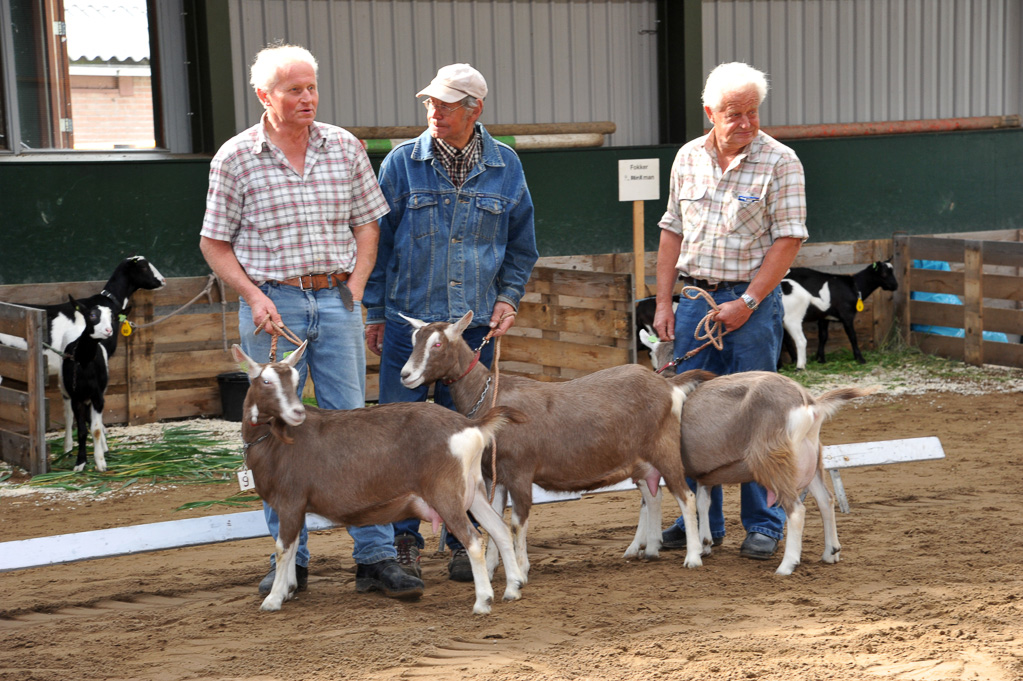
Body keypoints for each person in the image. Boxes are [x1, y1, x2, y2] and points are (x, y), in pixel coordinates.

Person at [199, 44, 424, 600]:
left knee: (353, 427)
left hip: (336, 301)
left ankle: (373, 557)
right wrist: (252, 295)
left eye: (312, 87)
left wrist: (355, 286)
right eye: (294, 89)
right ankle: (289, 563)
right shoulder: (234, 157)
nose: (307, 98)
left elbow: (369, 225)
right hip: (274, 307)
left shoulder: (344, 146)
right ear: (264, 96)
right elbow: (213, 242)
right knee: (274, 434)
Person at [363, 63, 538, 582]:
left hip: (471, 328)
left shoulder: (506, 167)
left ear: (475, 109)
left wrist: (508, 298)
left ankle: (466, 538)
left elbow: (522, 245)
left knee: (469, 435)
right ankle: (404, 543)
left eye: (445, 104)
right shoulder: (401, 164)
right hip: (409, 329)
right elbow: (379, 243)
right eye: (430, 104)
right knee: (399, 435)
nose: (433, 112)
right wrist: (374, 311)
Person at [652, 62, 808, 560]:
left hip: (751, 304)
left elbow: (788, 240)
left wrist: (747, 302)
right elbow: (671, 230)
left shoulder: (781, 162)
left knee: (760, 413)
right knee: (693, 412)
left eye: (752, 113)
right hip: (695, 299)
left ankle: (765, 521)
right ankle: (700, 520)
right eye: (732, 113)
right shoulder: (686, 158)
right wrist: (663, 302)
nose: (744, 123)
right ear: (709, 113)